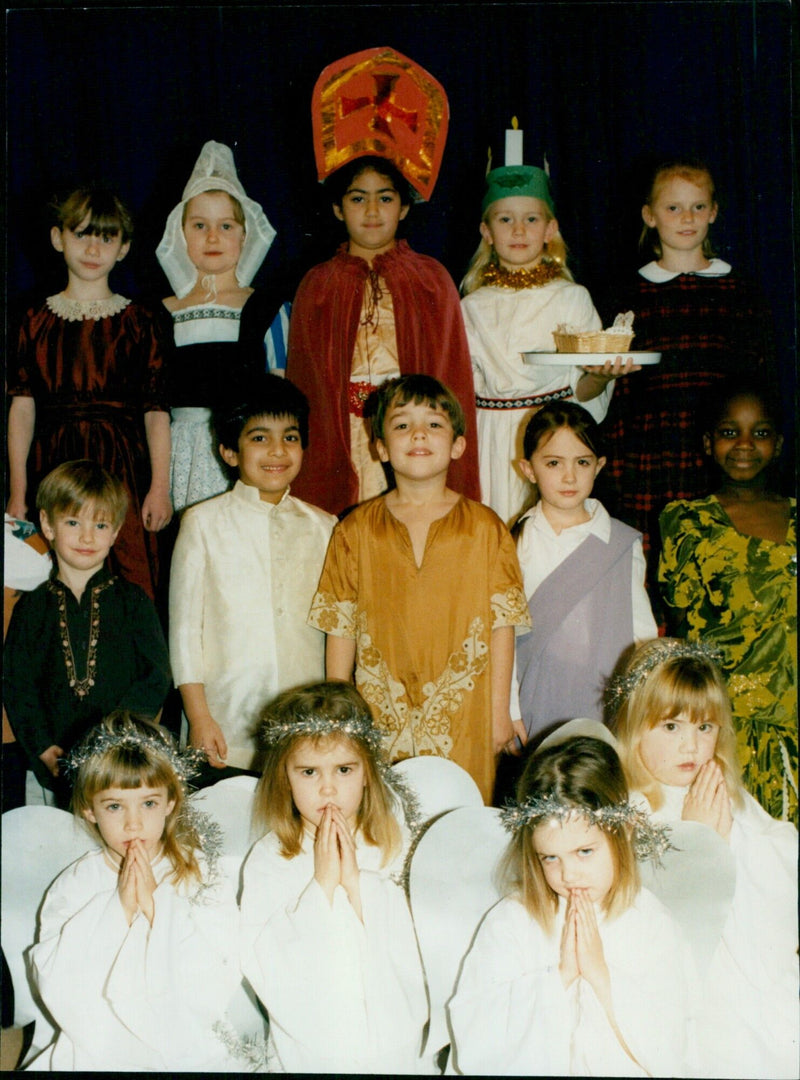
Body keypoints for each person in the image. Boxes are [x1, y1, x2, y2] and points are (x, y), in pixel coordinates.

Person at [309, 374, 530, 804]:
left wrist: (500, 712)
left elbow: (503, 626)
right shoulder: (354, 530)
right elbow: (340, 627)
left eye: (433, 424)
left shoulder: (485, 528)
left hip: (466, 713)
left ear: (458, 445)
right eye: (402, 425)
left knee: (461, 819)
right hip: (377, 713)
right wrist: (339, 715)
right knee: (384, 822)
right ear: (380, 447)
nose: (418, 435)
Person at [286, 47, 480, 517]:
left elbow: (451, 380)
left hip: (411, 443)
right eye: (357, 199)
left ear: (405, 206)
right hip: (343, 441)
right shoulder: (318, 284)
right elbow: (306, 387)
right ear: (337, 208)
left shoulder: (431, 281)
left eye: (385, 198)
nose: (372, 212)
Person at [609, 639, 799, 1079]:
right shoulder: (629, 807)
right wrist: (698, 848)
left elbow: (781, 854)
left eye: (705, 728)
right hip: (693, 992)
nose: (691, 747)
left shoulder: (724, 791)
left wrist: (734, 842)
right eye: (672, 727)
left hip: (753, 967)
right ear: (636, 725)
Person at [448, 734, 691, 1076]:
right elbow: (474, 1038)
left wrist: (600, 977)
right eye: (550, 858)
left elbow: (672, 1046)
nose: (569, 874)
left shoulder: (650, 921)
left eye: (584, 852)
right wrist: (560, 977)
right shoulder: (512, 920)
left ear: (623, 832)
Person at [28, 713, 242, 1071]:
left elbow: (222, 962)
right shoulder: (77, 882)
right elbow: (55, 977)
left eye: (148, 803)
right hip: (99, 1039)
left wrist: (160, 911)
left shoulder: (200, 871)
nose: (133, 823)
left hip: (183, 1034)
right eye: (114, 806)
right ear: (89, 809)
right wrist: (119, 910)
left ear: (171, 803)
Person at [239, 681, 427, 1073]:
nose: (328, 787)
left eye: (344, 769)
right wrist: (322, 887)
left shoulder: (396, 843)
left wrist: (358, 886)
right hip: (310, 1052)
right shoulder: (270, 859)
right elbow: (264, 963)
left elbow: (420, 954)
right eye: (309, 772)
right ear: (284, 779)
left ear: (366, 774)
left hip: (390, 1046)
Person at [602, 159, 774, 561]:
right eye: (673, 208)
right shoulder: (627, 294)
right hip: (650, 451)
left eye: (698, 207)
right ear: (650, 215)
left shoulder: (741, 291)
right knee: (658, 557)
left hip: (723, 451)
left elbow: (761, 379)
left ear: (713, 212)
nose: (687, 218)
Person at [7, 185, 172, 599]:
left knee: (127, 573)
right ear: (57, 238)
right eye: (81, 233)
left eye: (106, 236)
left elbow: (155, 411)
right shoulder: (33, 320)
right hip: (53, 459)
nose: (93, 247)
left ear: (124, 247)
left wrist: (159, 487)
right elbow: (22, 409)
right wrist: (18, 491)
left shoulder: (139, 321)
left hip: (123, 468)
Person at [168, 374, 335, 783]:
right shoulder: (202, 523)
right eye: (259, 438)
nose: (277, 451)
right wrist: (199, 716)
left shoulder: (325, 526)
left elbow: (337, 628)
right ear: (228, 451)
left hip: (306, 724)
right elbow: (185, 632)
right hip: (225, 723)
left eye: (290, 437)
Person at [461, 165, 637, 526]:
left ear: (550, 229)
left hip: (553, 440)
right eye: (505, 219)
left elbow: (583, 392)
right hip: (491, 441)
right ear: (487, 231)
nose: (519, 230)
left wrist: (601, 378)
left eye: (531, 219)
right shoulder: (471, 306)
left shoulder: (570, 298)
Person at [658, 380, 796, 822]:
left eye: (760, 433)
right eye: (728, 431)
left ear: (777, 444)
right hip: (731, 729)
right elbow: (682, 638)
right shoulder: (689, 523)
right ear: (707, 443)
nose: (744, 445)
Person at [3, 461, 170, 807]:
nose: (87, 536)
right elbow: (18, 684)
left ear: (116, 530)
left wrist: (114, 738)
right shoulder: (31, 607)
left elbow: (155, 676)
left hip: (120, 764)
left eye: (101, 524)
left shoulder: (134, 600)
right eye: (73, 522)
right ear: (47, 524)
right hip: (53, 767)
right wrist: (43, 747)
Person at [156, 140, 291, 513]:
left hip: (246, 453)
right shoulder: (162, 313)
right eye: (200, 225)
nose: (212, 237)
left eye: (225, 225)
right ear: (181, 234)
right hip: (178, 455)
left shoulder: (266, 309)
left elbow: (278, 393)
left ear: (244, 235)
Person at [512, 402, 657, 742]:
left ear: (599, 466)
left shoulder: (622, 543)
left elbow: (642, 632)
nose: (569, 476)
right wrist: (509, 709)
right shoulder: (514, 544)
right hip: (534, 702)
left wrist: (646, 702)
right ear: (528, 469)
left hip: (602, 706)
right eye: (553, 463)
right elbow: (501, 637)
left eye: (582, 462)